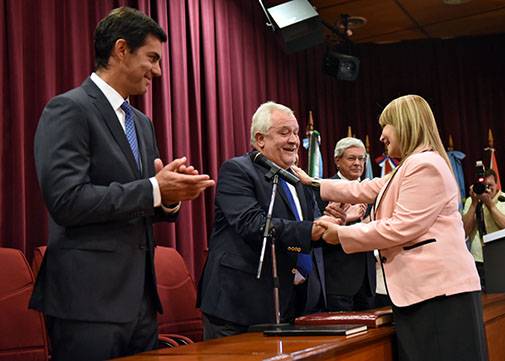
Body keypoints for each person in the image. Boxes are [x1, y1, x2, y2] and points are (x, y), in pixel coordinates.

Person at [30, 7, 215, 361]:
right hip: (87, 304)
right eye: (152, 58)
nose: (158, 71)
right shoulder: (68, 109)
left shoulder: (142, 123)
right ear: (120, 49)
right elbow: (66, 201)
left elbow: (143, 200)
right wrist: (155, 188)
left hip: (141, 304)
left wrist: (169, 197)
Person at [295, 94, 487, 361]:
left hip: (438, 295)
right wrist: (313, 183)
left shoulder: (425, 166)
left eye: (386, 126)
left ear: (405, 125)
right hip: (422, 294)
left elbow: (400, 228)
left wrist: (340, 235)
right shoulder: (408, 166)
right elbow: (364, 188)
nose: (382, 135)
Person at [197, 101, 335, 340]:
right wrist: (310, 230)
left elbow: (295, 241)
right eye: (284, 132)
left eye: (295, 133)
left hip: (290, 304)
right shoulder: (238, 170)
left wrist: (328, 227)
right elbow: (253, 225)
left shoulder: (297, 179)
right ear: (260, 139)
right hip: (239, 306)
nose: (294, 140)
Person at [317, 137, 377, 311]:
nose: (358, 163)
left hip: (367, 281)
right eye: (351, 158)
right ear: (337, 160)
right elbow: (318, 231)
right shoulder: (324, 190)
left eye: (361, 158)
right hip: (338, 281)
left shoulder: (372, 191)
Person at [462, 169, 505, 289]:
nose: (487, 189)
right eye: (483, 186)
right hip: (478, 261)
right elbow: (464, 231)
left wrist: (490, 205)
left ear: (496, 184)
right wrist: (474, 204)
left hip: (502, 259)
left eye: (490, 185)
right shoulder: (471, 201)